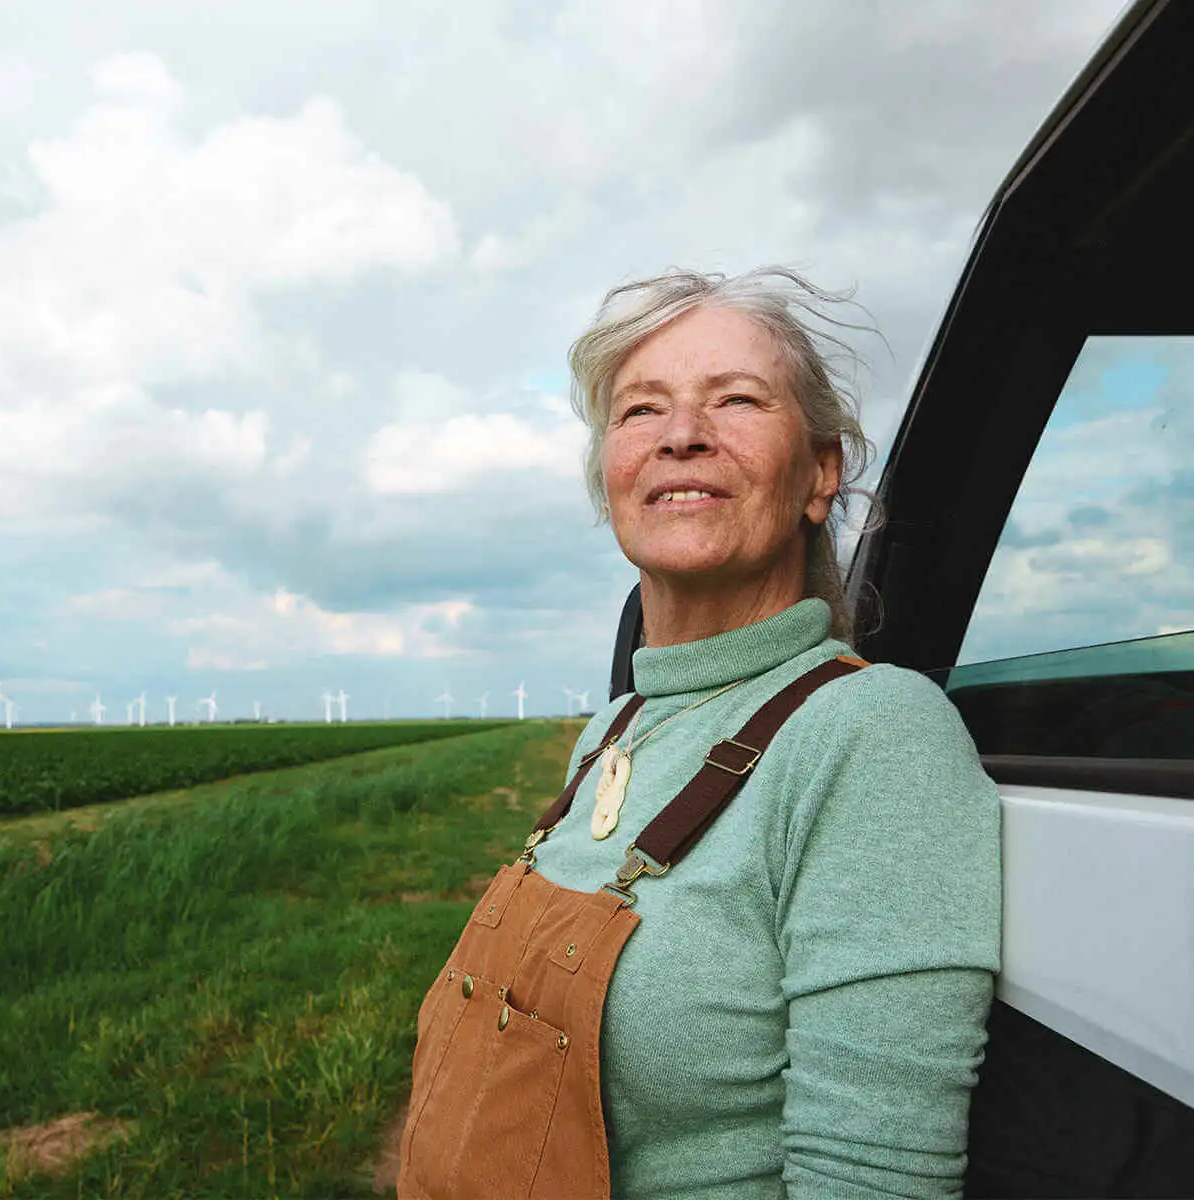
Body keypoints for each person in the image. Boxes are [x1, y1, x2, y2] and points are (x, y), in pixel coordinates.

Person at [397, 267, 1001, 1199]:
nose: (683, 434)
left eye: (738, 399)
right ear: (611, 476)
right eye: (641, 411)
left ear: (821, 472)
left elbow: (873, 1178)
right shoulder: (611, 731)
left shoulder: (873, 734)